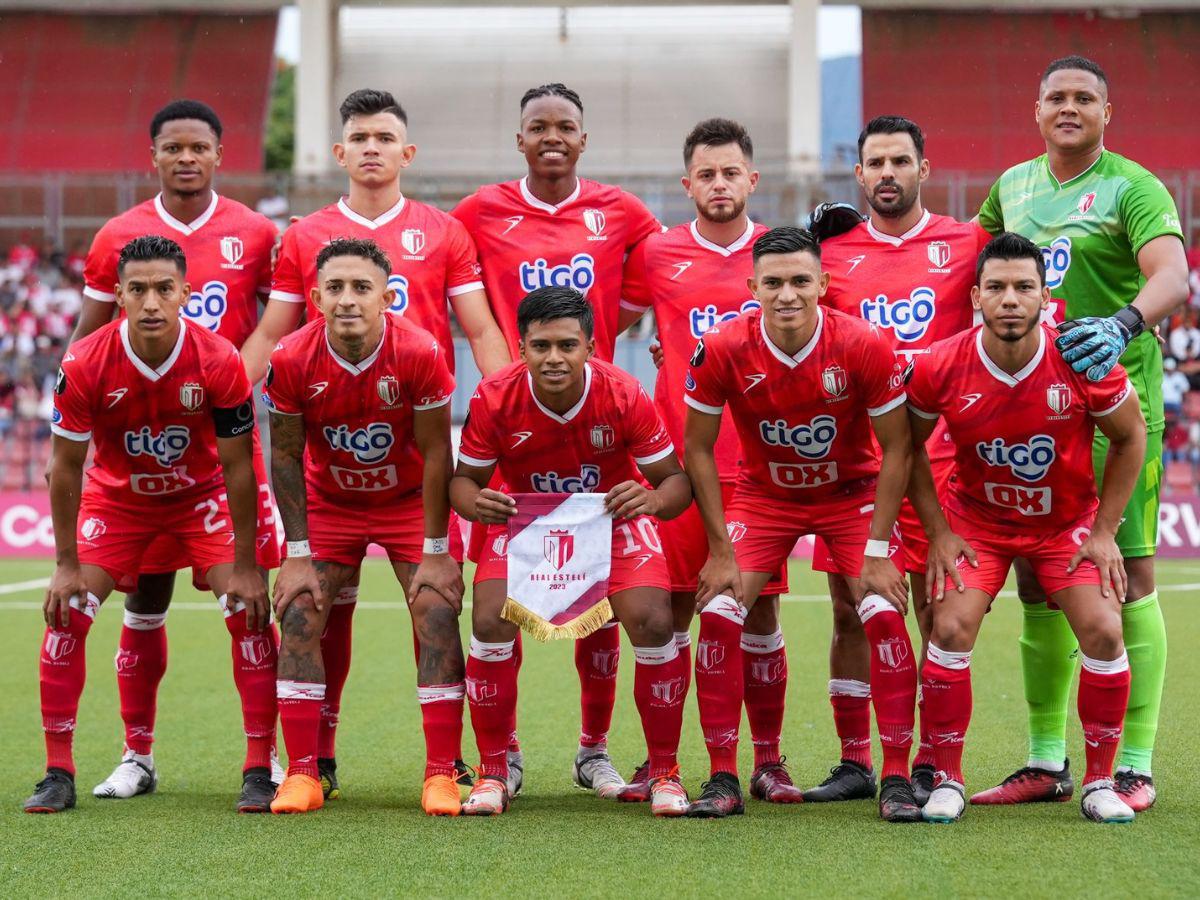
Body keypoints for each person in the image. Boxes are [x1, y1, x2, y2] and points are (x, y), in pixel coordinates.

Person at [242, 88, 510, 799]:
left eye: (384, 138)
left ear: (405, 153)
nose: (370, 148)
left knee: (436, 605)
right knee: (314, 611)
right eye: (358, 137)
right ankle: (311, 762)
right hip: (332, 459)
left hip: (414, 457)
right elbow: (274, 335)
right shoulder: (304, 237)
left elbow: (481, 331)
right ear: (340, 152)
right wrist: (221, 406)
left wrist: (513, 412)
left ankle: (446, 766)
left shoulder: (443, 232)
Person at [975, 55, 1188, 809]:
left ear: (1107, 112)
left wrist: (1125, 320)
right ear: (1036, 110)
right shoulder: (1014, 185)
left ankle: (1133, 762)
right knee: (1040, 578)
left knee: (1127, 576)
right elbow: (960, 269)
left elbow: (1173, 273)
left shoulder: (1133, 187)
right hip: (1032, 411)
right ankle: (1046, 759)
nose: (1069, 108)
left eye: (1084, 98)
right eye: (1056, 98)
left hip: (1113, 405)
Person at [452, 83, 663, 796]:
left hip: (592, 405)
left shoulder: (620, 211)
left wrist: (613, 337)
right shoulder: (480, 210)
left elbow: (657, 274)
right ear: (519, 140)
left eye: (564, 126)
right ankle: (501, 755)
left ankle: (593, 751)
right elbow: (451, 276)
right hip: (519, 415)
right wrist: (502, 359)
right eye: (537, 126)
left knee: (603, 605)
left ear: (582, 138)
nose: (551, 136)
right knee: (496, 611)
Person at [70, 99, 282, 804]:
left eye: (199, 147)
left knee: (251, 599)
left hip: (220, 439)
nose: (186, 158)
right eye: (173, 148)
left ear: (220, 155)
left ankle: (270, 759)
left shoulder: (255, 232)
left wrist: (230, 380)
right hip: (138, 450)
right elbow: (89, 335)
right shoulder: (117, 235)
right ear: (153, 156)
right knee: (145, 600)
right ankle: (137, 757)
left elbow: (281, 322)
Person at [907, 232, 1146, 824]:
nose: (1010, 299)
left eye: (1023, 288)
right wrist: (937, 530)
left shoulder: (1081, 359)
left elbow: (1130, 436)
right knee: (950, 625)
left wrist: (1104, 530)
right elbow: (905, 448)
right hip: (978, 523)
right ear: (975, 297)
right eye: (997, 288)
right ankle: (946, 778)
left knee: (1105, 631)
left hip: (1063, 524)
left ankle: (1098, 783)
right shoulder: (940, 364)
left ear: (1045, 299)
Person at [24, 236, 268, 813]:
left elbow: (238, 466)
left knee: (247, 608)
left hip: (200, 499)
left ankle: (260, 765)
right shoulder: (84, 362)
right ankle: (60, 770)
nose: (152, 302)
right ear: (119, 295)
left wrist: (248, 563)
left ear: (187, 292)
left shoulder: (219, 360)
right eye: (138, 290)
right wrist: (64, 565)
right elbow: (64, 468)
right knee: (69, 611)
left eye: (164, 288)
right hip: (119, 503)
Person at [683, 226, 920, 821]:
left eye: (799, 281)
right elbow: (700, 449)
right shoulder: (721, 346)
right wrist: (718, 549)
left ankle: (890, 775)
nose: (786, 293)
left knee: (883, 613)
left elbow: (899, 448)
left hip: (850, 494)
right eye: (773, 282)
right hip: (766, 497)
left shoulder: (865, 343)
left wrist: (877, 548)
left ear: (823, 283)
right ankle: (723, 776)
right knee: (717, 613)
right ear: (752, 287)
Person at [450, 286, 693, 817]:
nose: (554, 358)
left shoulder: (624, 392)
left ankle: (663, 772)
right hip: (526, 520)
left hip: (607, 517)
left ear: (590, 346)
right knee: (490, 621)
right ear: (521, 347)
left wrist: (650, 498)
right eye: (540, 346)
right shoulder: (493, 396)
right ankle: (495, 769)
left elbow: (675, 484)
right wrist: (477, 503)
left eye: (567, 345)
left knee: (653, 620)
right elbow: (462, 484)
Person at [804, 116, 990, 806]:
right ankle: (857, 761)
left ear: (924, 167)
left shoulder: (966, 242)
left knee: (932, 616)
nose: (887, 172)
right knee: (853, 612)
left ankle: (931, 763)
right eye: (874, 162)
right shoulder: (834, 250)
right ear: (858, 175)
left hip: (942, 464)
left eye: (899, 160)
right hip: (858, 465)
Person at [619, 118, 795, 804]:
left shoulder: (781, 256)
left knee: (757, 617)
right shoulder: (658, 254)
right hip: (676, 468)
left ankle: (770, 759)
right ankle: (661, 759)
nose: (719, 185)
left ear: (752, 180)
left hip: (756, 473)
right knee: (668, 612)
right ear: (685, 182)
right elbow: (606, 327)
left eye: (731, 173)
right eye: (706, 174)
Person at [263, 238, 466, 816]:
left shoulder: (420, 351)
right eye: (335, 288)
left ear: (387, 295)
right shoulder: (291, 357)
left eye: (361, 287)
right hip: (331, 504)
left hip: (406, 502)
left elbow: (435, 454)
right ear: (315, 298)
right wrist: (297, 552)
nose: (347, 299)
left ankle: (441, 774)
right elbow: (283, 456)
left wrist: (435, 548)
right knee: (300, 610)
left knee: (437, 608)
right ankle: (302, 774)